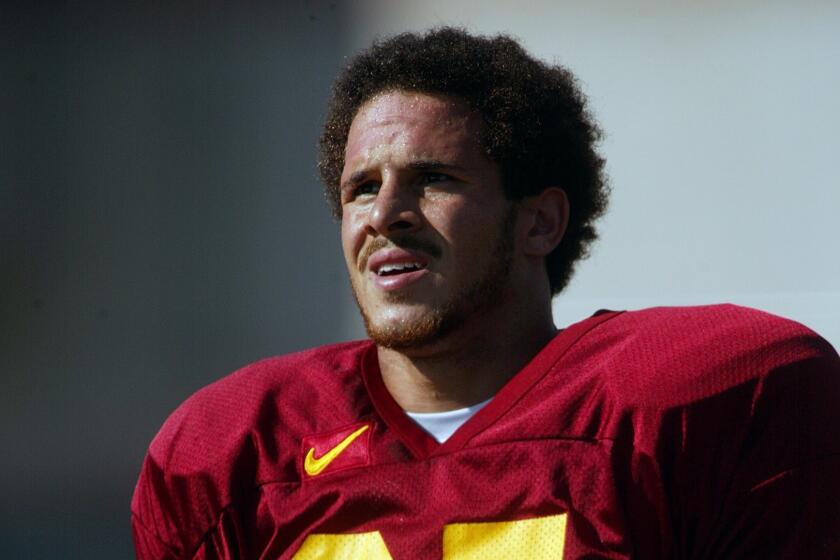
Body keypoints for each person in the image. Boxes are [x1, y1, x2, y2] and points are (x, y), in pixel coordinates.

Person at [131, 27, 840, 559]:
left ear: (540, 221)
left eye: (434, 179)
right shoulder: (237, 452)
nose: (384, 215)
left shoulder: (695, 404)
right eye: (361, 189)